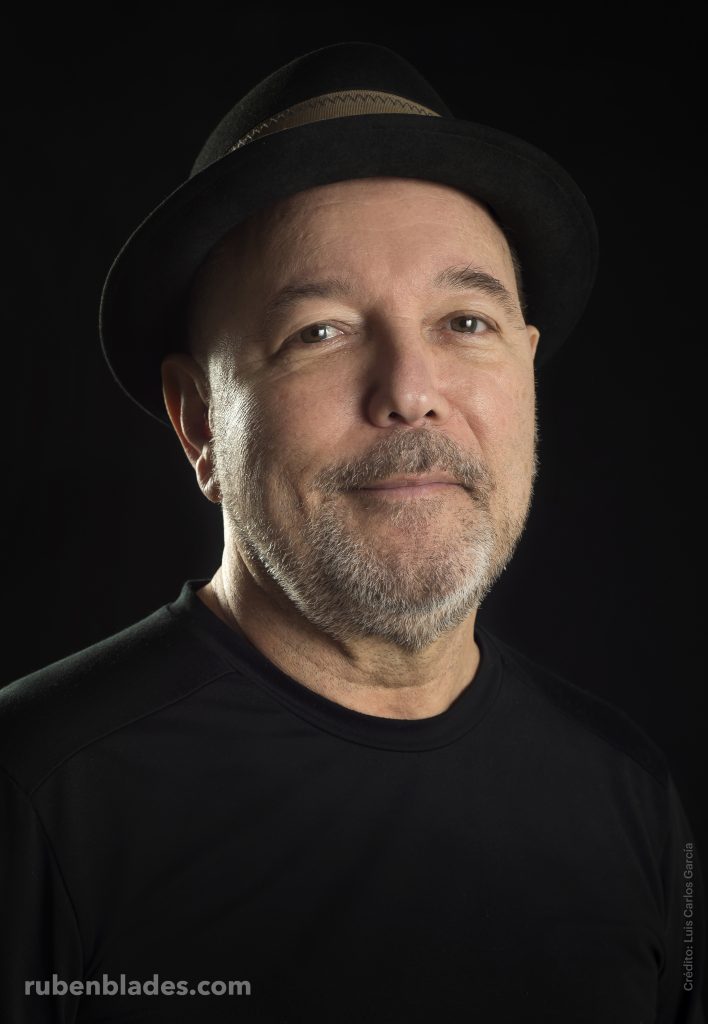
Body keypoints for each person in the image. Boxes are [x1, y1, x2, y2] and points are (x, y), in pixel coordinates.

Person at [0, 41, 704, 1024]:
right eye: (320, 332)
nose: (411, 392)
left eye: (466, 322)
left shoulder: (630, 796)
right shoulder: (33, 797)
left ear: (528, 366)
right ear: (199, 421)